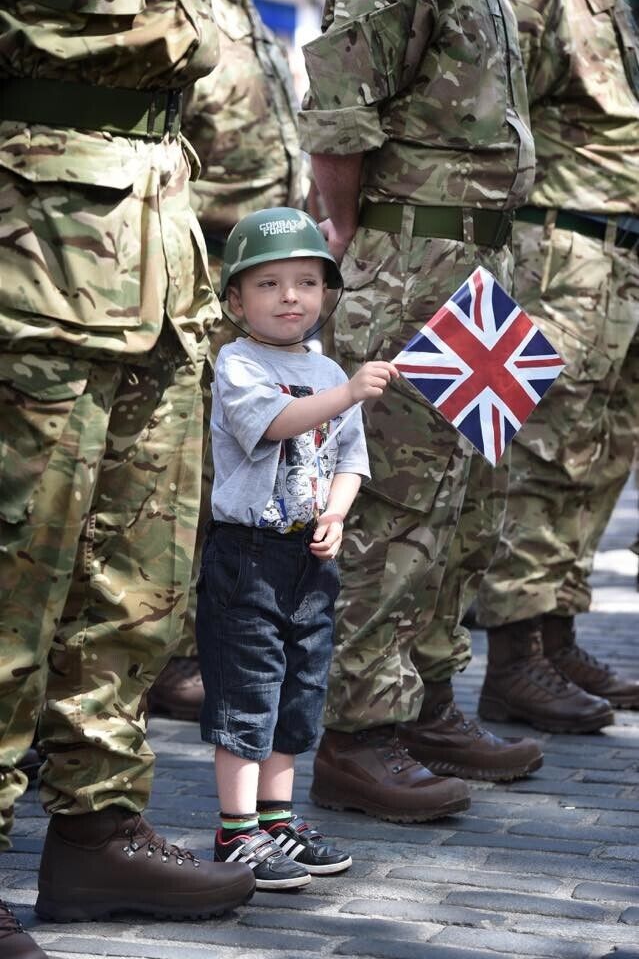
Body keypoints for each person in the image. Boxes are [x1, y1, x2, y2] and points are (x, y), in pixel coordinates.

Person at [0, 3, 256, 957]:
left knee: (139, 579)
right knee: (15, 579)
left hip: (157, 252)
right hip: (32, 257)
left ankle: (97, 833)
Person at [296, 0, 545, 824]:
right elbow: (339, 108)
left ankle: (426, 704)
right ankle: (357, 736)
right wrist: (344, 228)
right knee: (397, 511)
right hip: (412, 262)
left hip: (483, 264)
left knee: (469, 507)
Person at [196, 206, 397, 887]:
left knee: (298, 690)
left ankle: (276, 820)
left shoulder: (327, 367)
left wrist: (335, 513)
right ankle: (236, 831)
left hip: (309, 559)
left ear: (325, 293)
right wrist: (348, 392)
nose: (290, 297)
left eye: (307, 283)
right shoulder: (237, 363)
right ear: (235, 300)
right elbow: (278, 422)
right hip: (248, 556)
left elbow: (350, 459)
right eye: (268, 284)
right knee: (246, 689)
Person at [476, 0, 639, 730]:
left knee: (602, 455)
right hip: (562, 253)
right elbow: (494, 113)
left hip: (621, 254)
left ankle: (555, 638)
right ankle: (514, 660)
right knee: (545, 452)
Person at [147, 0, 306, 721]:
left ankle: (213, 640)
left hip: (250, 281)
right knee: (193, 473)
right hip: (200, 270)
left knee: (238, 468)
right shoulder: (185, 13)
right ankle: (171, 652)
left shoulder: (247, 14)